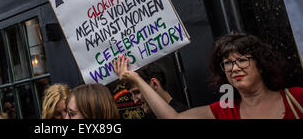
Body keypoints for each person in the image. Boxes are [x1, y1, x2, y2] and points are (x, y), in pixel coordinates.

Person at [114, 33, 303, 119]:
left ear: (260, 64)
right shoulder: (224, 111)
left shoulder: (296, 98)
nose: (234, 68)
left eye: (242, 60)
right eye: (228, 63)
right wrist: (136, 79)